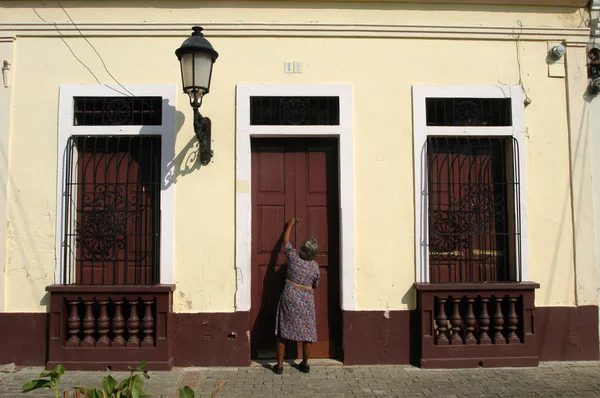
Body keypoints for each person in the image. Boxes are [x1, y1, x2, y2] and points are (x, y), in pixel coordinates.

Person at [273, 217, 320, 375]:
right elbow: (316, 284)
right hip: (306, 301)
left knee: (283, 332)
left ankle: (279, 366)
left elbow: (285, 242)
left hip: (289, 297)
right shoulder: (314, 267)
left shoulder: (293, 258)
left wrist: (290, 225)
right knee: (307, 333)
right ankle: (305, 364)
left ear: (301, 249)